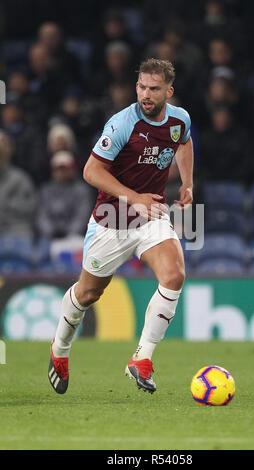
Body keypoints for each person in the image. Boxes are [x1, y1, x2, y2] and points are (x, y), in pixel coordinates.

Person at [48, 58, 194, 395]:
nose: (145, 93)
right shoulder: (122, 124)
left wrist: (187, 183)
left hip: (150, 217)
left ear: (168, 92)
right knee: (87, 294)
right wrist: (133, 197)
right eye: (141, 86)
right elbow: (90, 171)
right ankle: (60, 348)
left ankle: (141, 359)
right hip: (111, 221)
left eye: (153, 89)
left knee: (174, 275)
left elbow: (184, 142)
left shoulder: (179, 119)